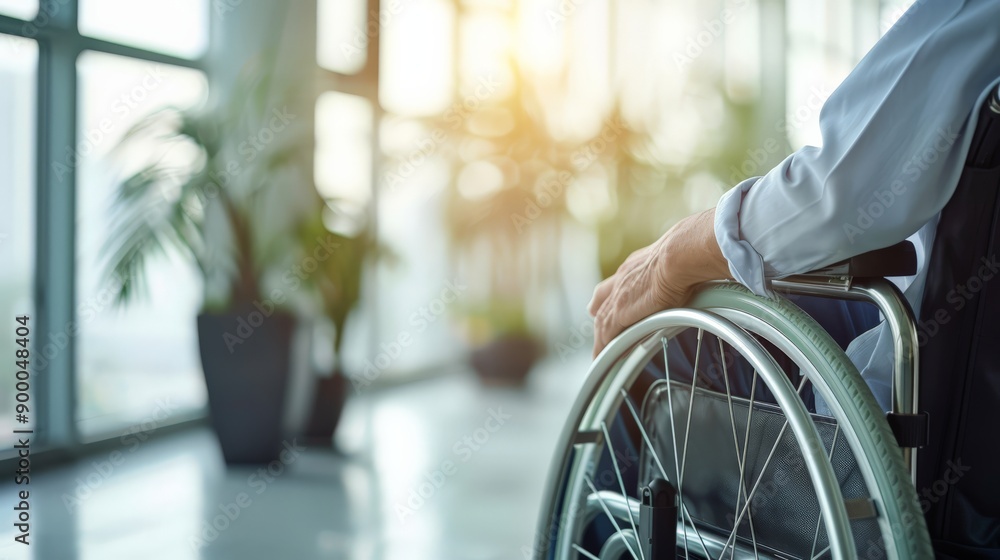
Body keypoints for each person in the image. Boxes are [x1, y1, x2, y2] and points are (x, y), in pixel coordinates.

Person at [588, 0, 1000, 412]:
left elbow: (834, 195)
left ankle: (601, 476)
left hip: (921, 395)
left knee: (664, 338)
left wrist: (669, 259)